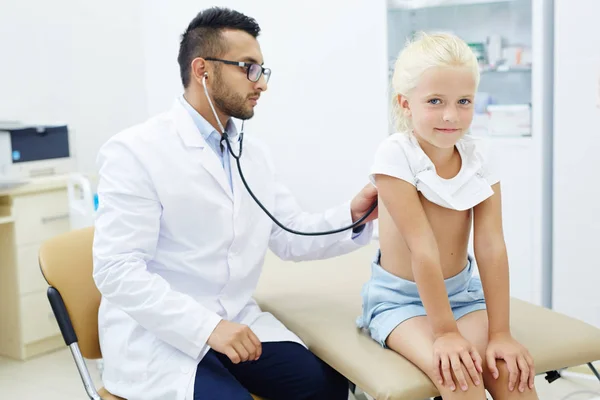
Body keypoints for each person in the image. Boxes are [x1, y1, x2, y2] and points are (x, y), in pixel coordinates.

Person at [92, 7, 377, 400]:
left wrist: (355, 214)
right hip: (159, 336)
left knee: (326, 387)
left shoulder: (250, 153)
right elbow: (116, 270)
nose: (261, 84)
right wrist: (207, 327)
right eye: (249, 68)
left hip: (237, 322)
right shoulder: (135, 152)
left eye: (262, 70)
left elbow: (289, 233)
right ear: (202, 70)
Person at [356, 32, 538, 399]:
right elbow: (422, 249)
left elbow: (490, 245)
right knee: (462, 382)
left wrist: (500, 332)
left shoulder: (481, 155)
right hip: (400, 301)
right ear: (405, 104)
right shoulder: (395, 155)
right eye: (435, 101)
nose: (451, 115)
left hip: (462, 294)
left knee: (510, 377)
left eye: (464, 101)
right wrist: (445, 334)